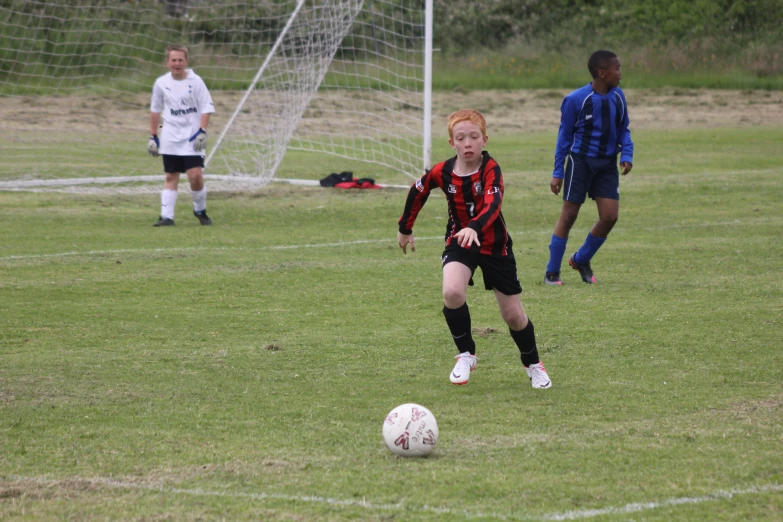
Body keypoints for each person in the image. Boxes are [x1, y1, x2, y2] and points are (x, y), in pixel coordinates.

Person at [397, 109, 552, 389]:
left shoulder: (491, 169)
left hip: (494, 245)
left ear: (484, 140)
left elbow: (494, 205)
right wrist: (405, 228)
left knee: (513, 316)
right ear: (451, 143)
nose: (467, 143)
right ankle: (466, 354)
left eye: (473, 137)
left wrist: (475, 227)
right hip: (460, 241)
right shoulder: (442, 171)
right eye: (460, 138)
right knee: (452, 292)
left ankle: (533, 364)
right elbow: (418, 190)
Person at [545, 49, 634, 285]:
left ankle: (581, 259)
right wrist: (557, 172)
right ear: (602, 73)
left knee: (610, 217)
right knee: (569, 215)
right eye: (617, 68)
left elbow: (624, 128)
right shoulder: (576, 99)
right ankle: (552, 272)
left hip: (606, 165)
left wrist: (627, 153)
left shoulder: (618, 97)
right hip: (580, 162)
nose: (620, 73)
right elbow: (564, 137)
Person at [148, 44, 216, 227]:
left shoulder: (196, 81)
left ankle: (200, 210)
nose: (177, 63)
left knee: (195, 175)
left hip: (192, 136)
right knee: (171, 175)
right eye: (173, 60)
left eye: (180, 60)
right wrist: (153, 136)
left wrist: (202, 131)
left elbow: (206, 107)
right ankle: (166, 217)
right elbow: (155, 110)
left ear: (186, 61)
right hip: (170, 135)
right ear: (167, 62)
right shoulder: (161, 83)